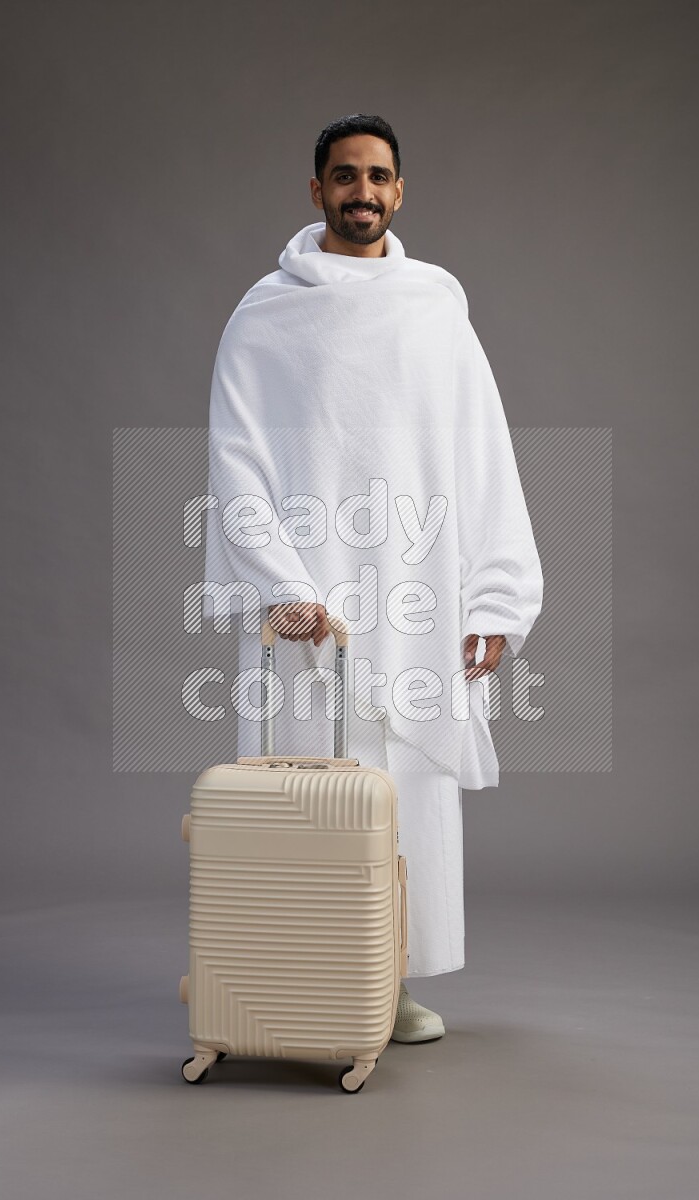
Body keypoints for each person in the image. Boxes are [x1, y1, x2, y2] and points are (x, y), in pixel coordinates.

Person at [204, 114, 543, 1044]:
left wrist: (495, 599)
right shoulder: (267, 312)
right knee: (313, 793)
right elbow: (235, 460)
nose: (362, 191)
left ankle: (385, 982)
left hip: (417, 591)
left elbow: (484, 453)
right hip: (310, 609)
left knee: (402, 799)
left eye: (379, 176)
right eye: (344, 176)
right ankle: (308, 981)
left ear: (400, 191)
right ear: (315, 190)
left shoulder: (435, 304)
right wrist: (281, 583)